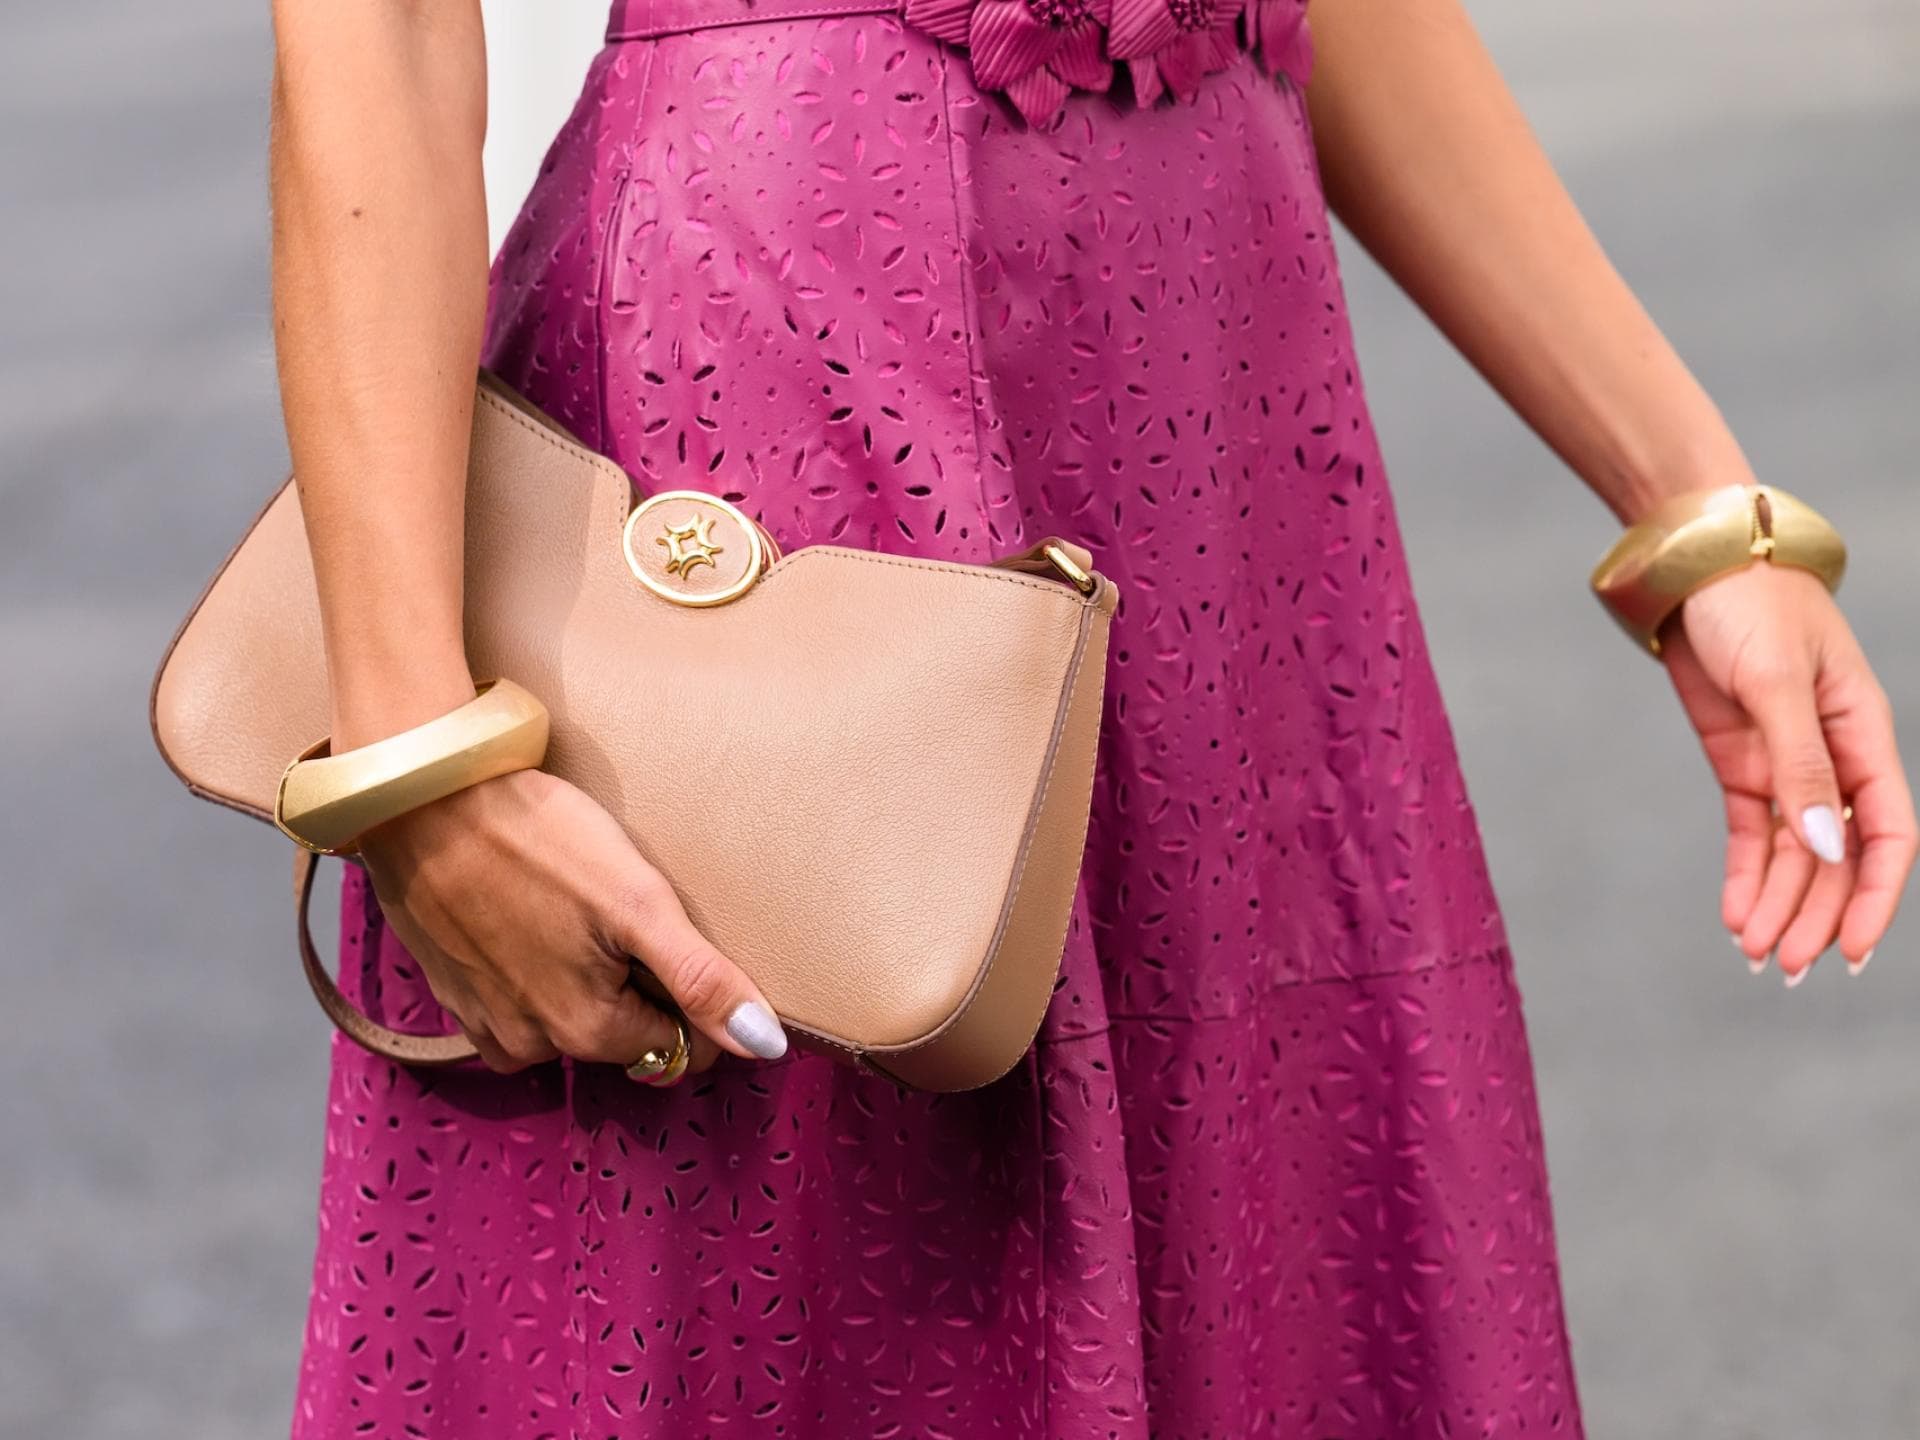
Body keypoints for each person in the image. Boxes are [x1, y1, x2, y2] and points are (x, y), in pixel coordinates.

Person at [266, 0, 1916, 1434]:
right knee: (817, 1288)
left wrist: (1695, 503)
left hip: (1229, 464)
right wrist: (418, 762)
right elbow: (379, 30)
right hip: (784, 416)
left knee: (1260, 1260)